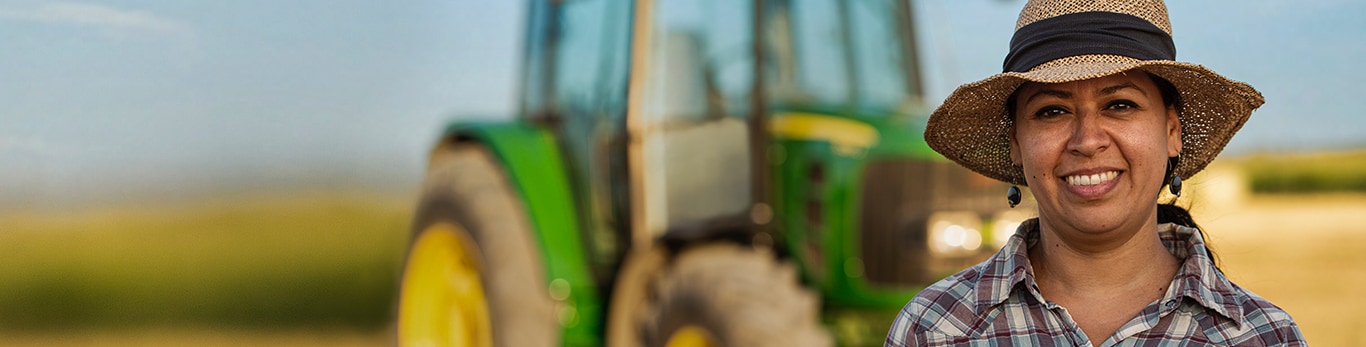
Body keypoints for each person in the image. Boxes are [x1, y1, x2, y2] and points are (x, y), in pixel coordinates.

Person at [885, 0, 1306, 345]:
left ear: (1171, 130)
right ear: (1016, 143)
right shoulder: (936, 329)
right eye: (1052, 111)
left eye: (1120, 105)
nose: (1087, 141)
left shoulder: (1260, 336)